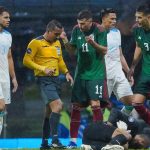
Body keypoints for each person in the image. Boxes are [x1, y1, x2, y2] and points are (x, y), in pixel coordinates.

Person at [61, 9, 109, 148]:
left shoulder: (99, 29)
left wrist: (93, 43)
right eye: (79, 23)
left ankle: (98, 140)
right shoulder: (76, 30)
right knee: (75, 107)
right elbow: (72, 51)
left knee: (95, 105)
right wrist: (65, 40)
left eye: (83, 24)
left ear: (90, 21)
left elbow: (105, 50)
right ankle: (73, 141)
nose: (81, 26)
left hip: (96, 74)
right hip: (80, 74)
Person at [23, 20, 73, 149]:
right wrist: (42, 68)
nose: (58, 36)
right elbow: (26, 61)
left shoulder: (57, 43)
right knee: (58, 105)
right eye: (56, 33)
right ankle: (55, 140)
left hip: (56, 80)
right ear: (49, 31)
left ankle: (44, 143)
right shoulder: (36, 42)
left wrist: (67, 72)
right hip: (44, 79)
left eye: (59, 34)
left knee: (48, 112)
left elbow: (60, 60)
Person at [100, 8, 134, 114]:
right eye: (112, 19)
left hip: (118, 73)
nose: (114, 21)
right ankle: (98, 129)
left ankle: (116, 125)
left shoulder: (116, 32)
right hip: (104, 75)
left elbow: (120, 55)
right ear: (104, 19)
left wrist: (128, 72)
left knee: (130, 104)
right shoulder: (96, 33)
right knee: (101, 107)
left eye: (115, 19)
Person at [81, 108, 150, 150]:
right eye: (143, 142)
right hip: (95, 129)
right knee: (127, 135)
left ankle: (91, 147)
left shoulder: (127, 144)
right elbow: (115, 111)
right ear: (141, 138)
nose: (139, 144)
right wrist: (109, 125)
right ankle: (110, 145)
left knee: (122, 147)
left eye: (140, 147)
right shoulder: (134, 126)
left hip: (88, 141)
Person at [127, 2, 150, 125]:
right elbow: (138, 47)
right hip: (145, 74)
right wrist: (133, 67)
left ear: (148, 17)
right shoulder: (137, 30)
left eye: (140, 17)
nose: (137, 20)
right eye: (136, 17)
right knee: (136, 103)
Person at [0, 6, 18, 136]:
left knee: (3, 108)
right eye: (5, 17)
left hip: (4, 75)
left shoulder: (8, 35)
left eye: (9, 18)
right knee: (0, 105)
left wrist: (13, 78)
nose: (8, 20)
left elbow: (9, 57)